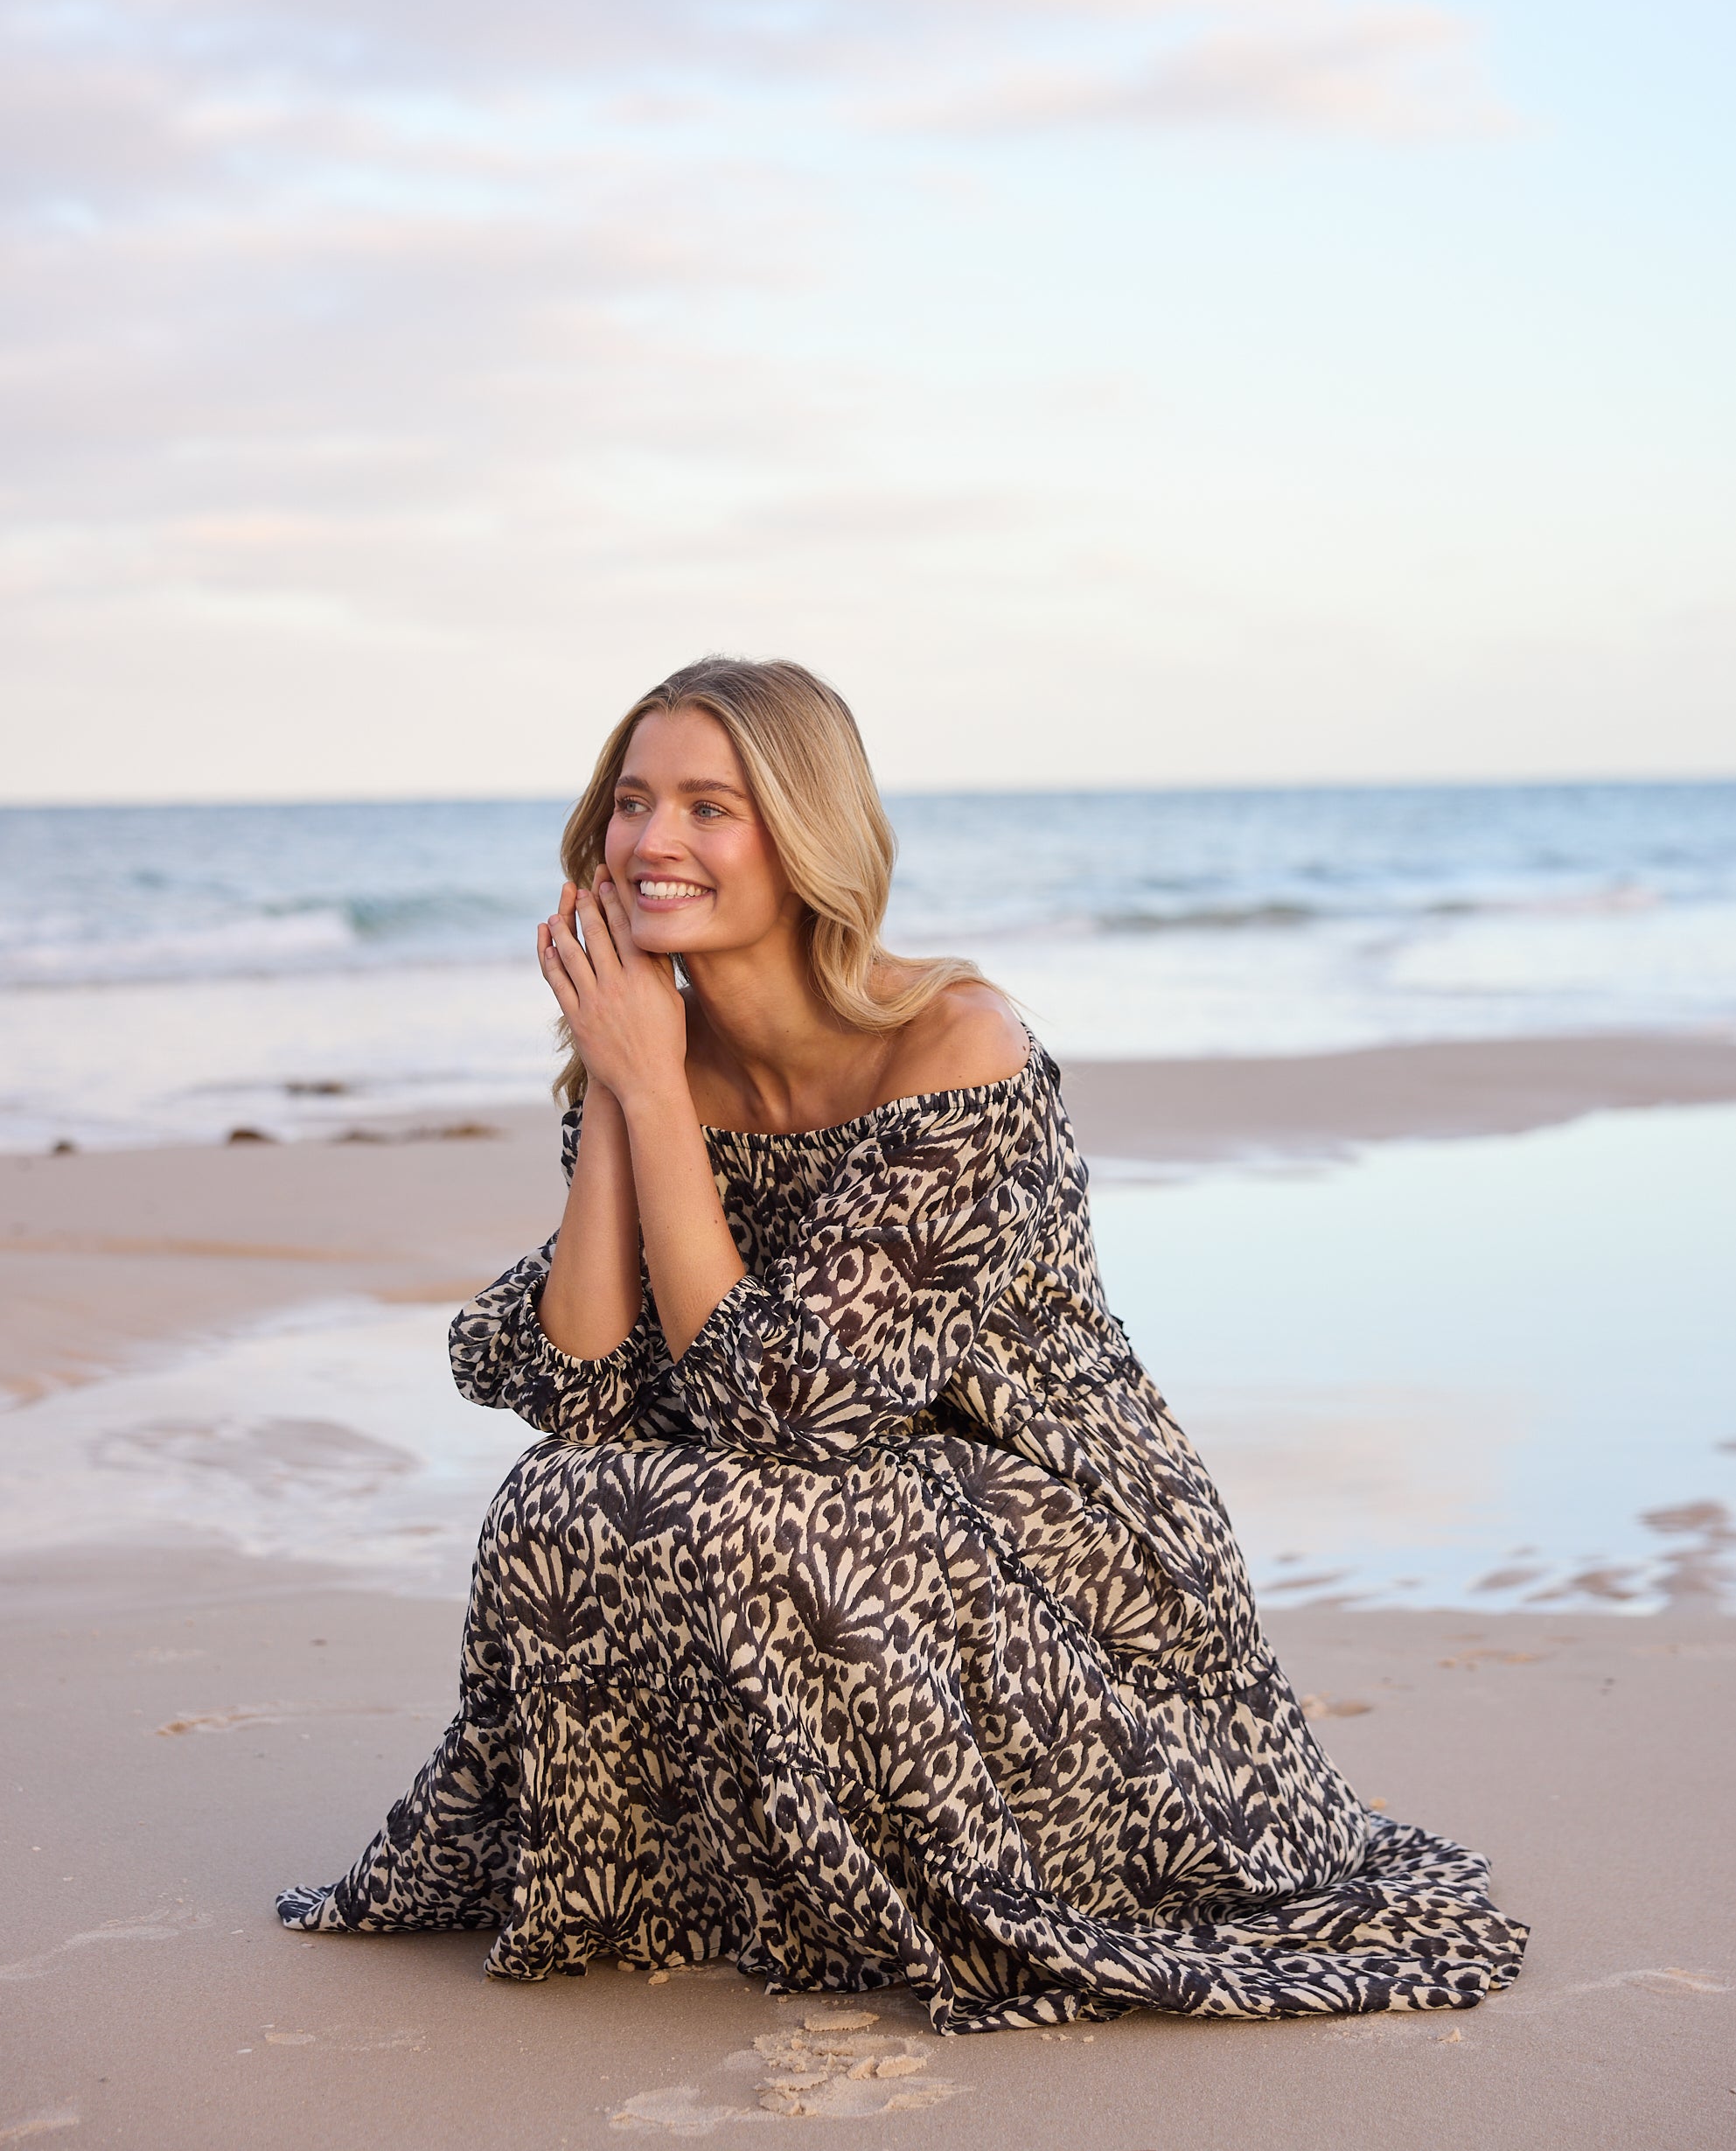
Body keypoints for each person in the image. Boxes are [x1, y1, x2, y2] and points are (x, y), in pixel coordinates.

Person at [277, 655, 1525, 2034]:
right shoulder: (652, 1049)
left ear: (805, 835)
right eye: (631, 803)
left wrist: (649, 1089)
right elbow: (579, 1380)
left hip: (1062, 1552)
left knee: (750, 1509)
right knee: (560, 1499)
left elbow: (788, 1407)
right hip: (836, 1503)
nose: (654, 841)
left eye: (711, 805)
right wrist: (629, 1080)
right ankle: (698, 1882)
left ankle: (939, 1874)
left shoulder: (956, 1045)